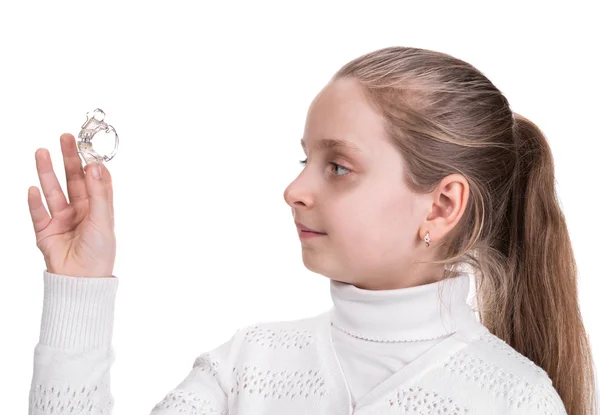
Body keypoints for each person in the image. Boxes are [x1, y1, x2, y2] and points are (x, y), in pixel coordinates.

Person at [27, 46, 595, 414]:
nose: (295, 190)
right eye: (304, 161)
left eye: (338, 167)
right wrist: (81, 290)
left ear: (441, 206)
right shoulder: (249, 365)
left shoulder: (513, 399)